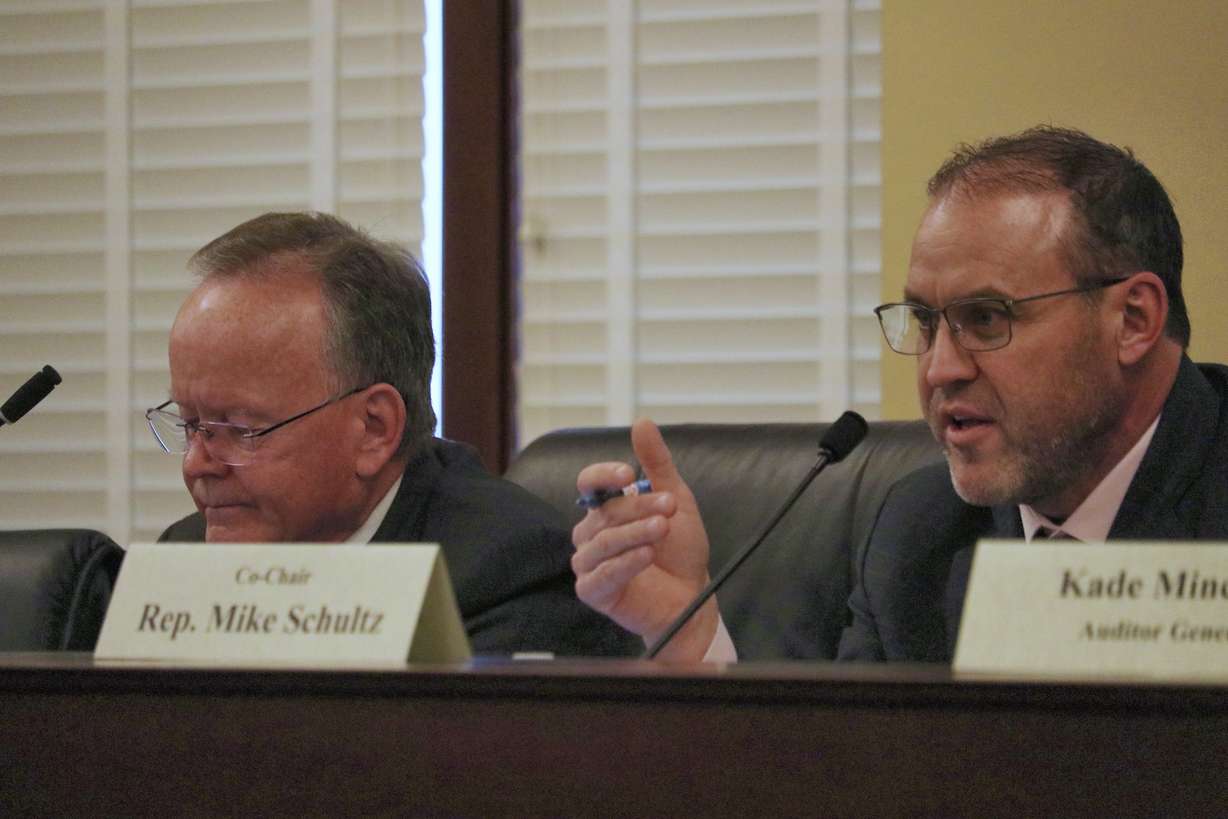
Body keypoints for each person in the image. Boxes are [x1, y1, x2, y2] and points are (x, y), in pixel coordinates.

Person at [570, 125, 1228, 662]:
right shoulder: (919, 534)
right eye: (923, 321)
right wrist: (692, 642)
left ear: (1134, 319)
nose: (939, 368)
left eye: (987, 318)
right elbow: (851, 777)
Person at [153, 211, 638, 657]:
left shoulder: (509, 573)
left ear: (373, 429)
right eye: (191, 424)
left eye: (240, 429)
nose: (196, 464)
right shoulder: (185, 559)